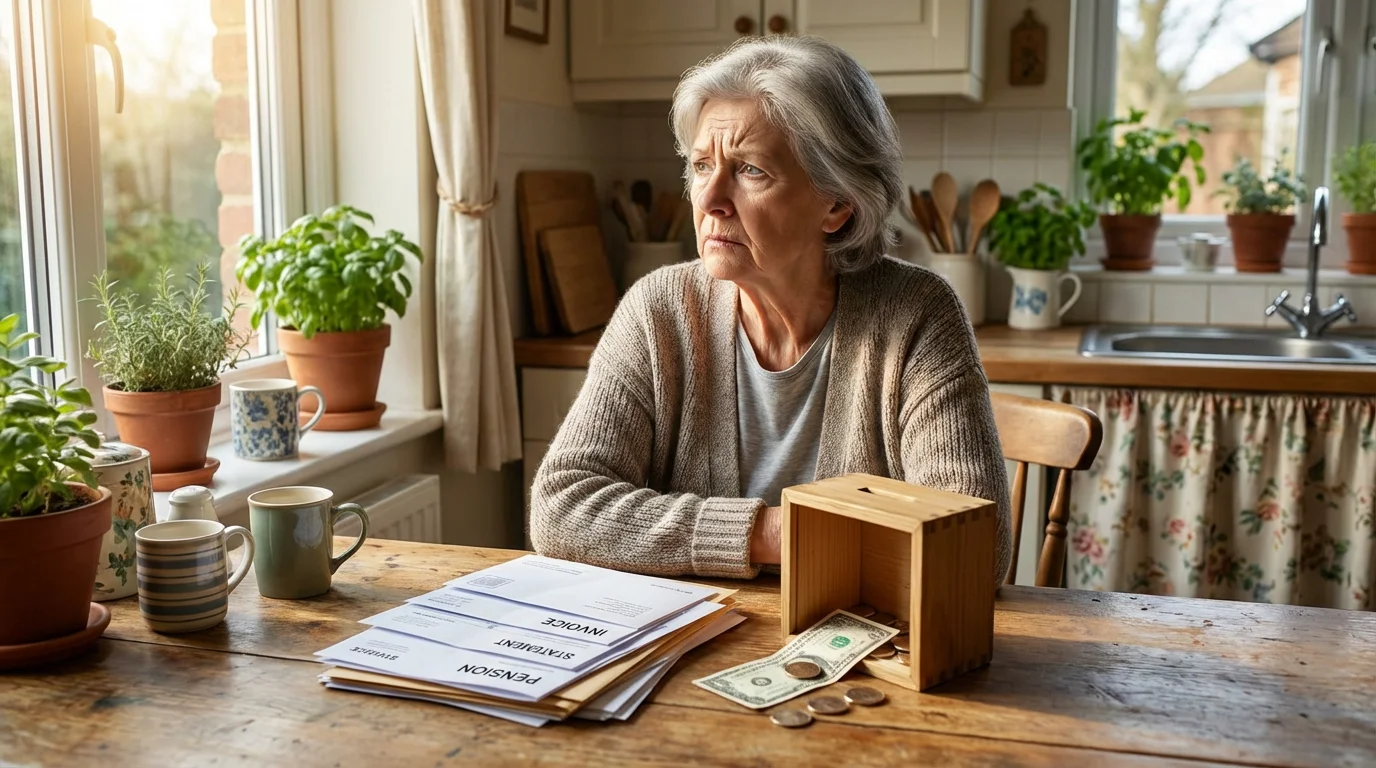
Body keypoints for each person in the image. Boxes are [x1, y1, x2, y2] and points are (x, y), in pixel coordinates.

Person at [529, 35, 1010, 582]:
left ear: (837, 204)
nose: (710, 199)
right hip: (696, 646)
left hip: (863, 650)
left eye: (750, 170)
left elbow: (977, 545)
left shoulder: (915, 316)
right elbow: (561, 508)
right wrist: (773, 533)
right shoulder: (658, 311)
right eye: (701, 165)